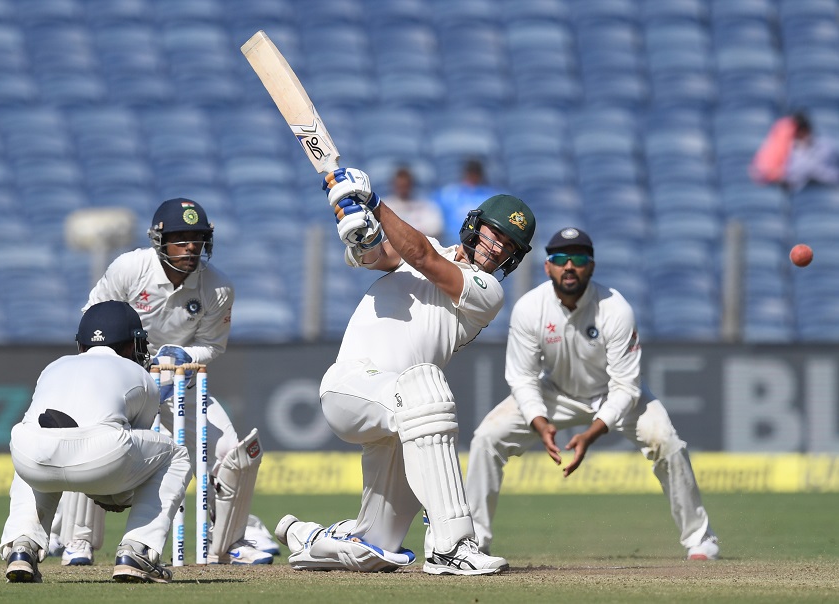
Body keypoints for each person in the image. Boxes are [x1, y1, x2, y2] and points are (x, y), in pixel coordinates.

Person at [274, 167, 536, 575]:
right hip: (353, 386)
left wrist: (373, 203)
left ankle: (306, 536)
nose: (497, 248)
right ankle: (452, 545)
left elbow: (422, 257)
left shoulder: (489, 292)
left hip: (401, 420)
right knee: (427, 384)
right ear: (473, 226)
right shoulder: (423, 246)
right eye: (494, 233)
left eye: (508, 245)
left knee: (375, 548)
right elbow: (380, 255)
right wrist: (362, 235)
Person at [465, 227, 720, 561]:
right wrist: (540, 423)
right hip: (555, 393)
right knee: (487, 437)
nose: (569, 266)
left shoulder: (615, 309)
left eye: (579, 259)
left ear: (592, 266)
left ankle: (700, 540)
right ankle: (474, 542)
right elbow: (523, 378)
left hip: (613, 394)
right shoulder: (530, 308)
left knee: (667, 443)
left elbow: (627, 386)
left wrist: (592, 432)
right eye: (560, 259)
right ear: (548, 267)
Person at [50, 197, 277, 567]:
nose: (191, 247)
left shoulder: (218, 288)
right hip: (122, 380)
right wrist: (124, 367)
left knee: (233, 453)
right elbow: (92, 322)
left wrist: (184, 358)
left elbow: (211, 346)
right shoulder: (130, 268)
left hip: (178, 385)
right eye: (181, 238)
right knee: (90, 438)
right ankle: (78, 540)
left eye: (198, 238)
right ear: (160, 240)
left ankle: (231, 542)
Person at [0, 301, 192, 583]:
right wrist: (108, 493)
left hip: (30, 455)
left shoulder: (54, 366)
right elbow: (130, 465)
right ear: (131, 345)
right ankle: (137, 549)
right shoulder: (140, 375)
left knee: (35, 442)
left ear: (82, 345)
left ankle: (21, 546)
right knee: (176, 455)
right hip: (104, 458)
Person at [750, 111, 839, 191]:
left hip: (829, 189)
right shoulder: (784, 151)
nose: (800, 134)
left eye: (803, 130)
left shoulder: (827, 146)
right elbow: (764, 172)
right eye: (797, 132)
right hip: (801, 194)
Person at [432, 158, 501, 243]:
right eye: (470, 173)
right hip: (450, 242)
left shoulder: (489, 196)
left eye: (475, 173)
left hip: (478, 242)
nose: (472, 176)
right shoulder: (448, 194)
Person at [382, 165, 444, 239]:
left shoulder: (426, 205)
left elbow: (436, 229)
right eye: (400, 186)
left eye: (405, 185)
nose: (403, 189)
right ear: (394, 185)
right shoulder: (384, 206)